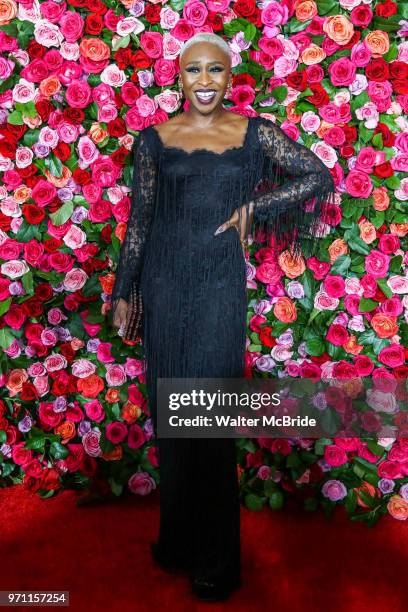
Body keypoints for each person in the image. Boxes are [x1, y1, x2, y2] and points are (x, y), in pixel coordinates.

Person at [110, 32, 336, 601]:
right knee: (173, 423)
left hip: (215, 290)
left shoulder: (254, 134)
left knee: (208, 426)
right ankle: (181, 542)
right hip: (162, 288)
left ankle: (218, 561)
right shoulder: (154, 140)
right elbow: (140, 219)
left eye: (215, 70)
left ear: (229, 77)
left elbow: (316, 175)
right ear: (179, 79)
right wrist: (123, 293)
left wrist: (257, 208)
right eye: (194, 71)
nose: (205, 80)